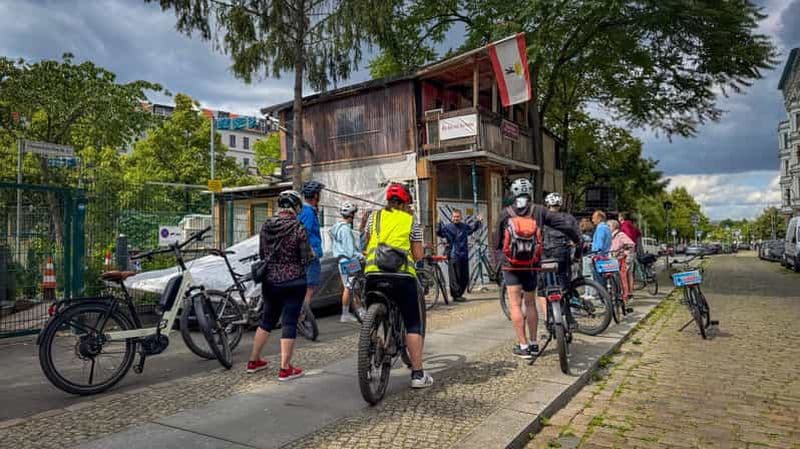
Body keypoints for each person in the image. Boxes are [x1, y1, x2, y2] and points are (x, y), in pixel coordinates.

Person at [496, 179, 580, 359]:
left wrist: (499, 260)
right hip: (532, 264)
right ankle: (534, 344)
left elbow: (497, 242)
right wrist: (578, 240)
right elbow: (564, 225)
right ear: (531, 193)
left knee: (515, 305)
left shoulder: (506, 213)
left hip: (511, 265)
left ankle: (523, 346)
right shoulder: (540, 211)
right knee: (530, 303)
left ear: (513, 193)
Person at [364, 183, 433, 389]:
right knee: (413, 323)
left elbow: (368, 243)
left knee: (372, 311)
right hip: (402, 276)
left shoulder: (373, 218)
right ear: (405, 203)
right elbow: (418, 255)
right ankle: (418, 375)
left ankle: (368, 351)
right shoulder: (411, 221)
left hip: (373, 274)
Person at [246, 190, 313, 380]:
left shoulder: (266, 226)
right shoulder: (298, 227)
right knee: (289, 321)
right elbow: (306, 257)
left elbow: (262, 253)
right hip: (294, 281)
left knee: (267, 320)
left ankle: (254, 361)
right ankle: (285, 368)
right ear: (295, 207)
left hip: (270, 280)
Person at [536, 193, 578, 325]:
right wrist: (576, 255)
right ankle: (569, 317)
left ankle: (547, 319)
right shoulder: (568, 218)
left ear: (547, 204)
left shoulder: (542, 218)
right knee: (564, 286)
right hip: (563, 254)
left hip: (545, 255)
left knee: (543, 288)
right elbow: (578, 237)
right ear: (560, 204)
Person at [436, 209, 483, 302]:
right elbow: (439, 233)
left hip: (464, 255)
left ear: (460, 217)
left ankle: (460, 294)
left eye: (457, 217)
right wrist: (438, 223)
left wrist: (478, 221)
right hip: (453, 255)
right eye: (454, 217)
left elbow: (472, 228)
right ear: (451, 217)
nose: (455, 218)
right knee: (454, 277)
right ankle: (456, 296)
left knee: (464, 277)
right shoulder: (448, 227)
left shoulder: (464, 227)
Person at [330, 202, 364, 322]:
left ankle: (358, 310)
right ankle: (346, 314)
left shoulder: (337, 227)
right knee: (350, 287)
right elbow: (350, 251)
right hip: (349, 261)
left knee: (352, 286)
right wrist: (361, 255)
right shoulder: (345, 230)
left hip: (342, 261)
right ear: (352, 215)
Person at [298, 180, 325, 319]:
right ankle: (302, 315)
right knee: (310, 287)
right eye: (319, 193)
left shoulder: (305, 210)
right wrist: (311, 250)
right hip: (311, 255)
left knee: (306, 287)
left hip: (305, 255)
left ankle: (301, 315)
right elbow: (305, 232)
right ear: (315, 195)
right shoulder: (308, 212)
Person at [609, 219, 635, 301]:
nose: (607, 228)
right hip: (613, 259)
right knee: (615, 278)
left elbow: (631, 244)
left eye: (609, 226)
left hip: (620, 260)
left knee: (622, 278)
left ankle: (625, 296)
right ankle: (617, 295)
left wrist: (623, 252)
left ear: (613, 226)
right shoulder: (611, 235)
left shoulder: (620, 234)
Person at [618, 212, 641, 295]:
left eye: (619, 217)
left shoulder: (624, 225)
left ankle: (625, 292)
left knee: (623, 272)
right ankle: (631, 291)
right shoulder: (632, 225)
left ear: (621, 217)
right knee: (630, 273)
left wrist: (626, 245)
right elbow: (638, 233)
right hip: (633, 251)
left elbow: (628, 235)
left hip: (627, 251)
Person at [590, 210, 612, 285]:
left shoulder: (600, 228)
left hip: (599, 256)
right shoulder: (607, 227)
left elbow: (599, 243)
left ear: (599, 218)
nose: (592, 220)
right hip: (606, 255)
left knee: (599, 280)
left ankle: (602, 295)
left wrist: (595, 254)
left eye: (593, 218)